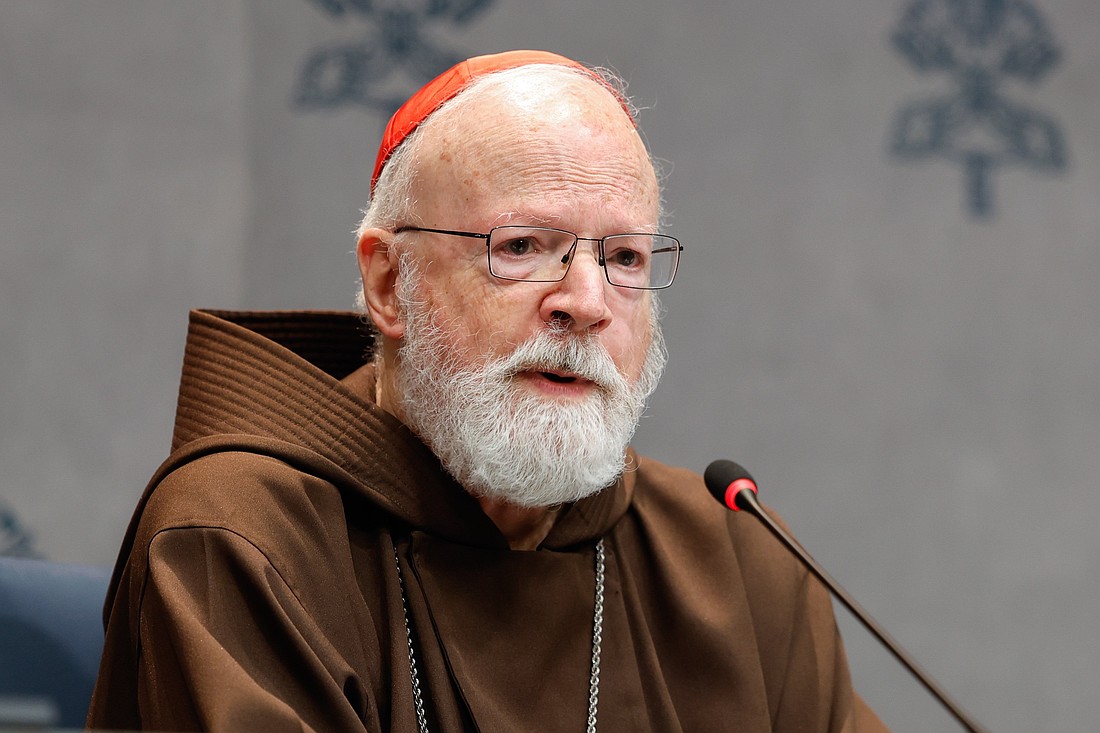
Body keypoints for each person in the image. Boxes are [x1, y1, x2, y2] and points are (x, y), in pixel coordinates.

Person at [88, 50, 887, 732]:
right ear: (388, 283)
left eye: (625, 258)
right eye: (523, 245)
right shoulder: (241, 535)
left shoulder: (738, 558)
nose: (587, 299)